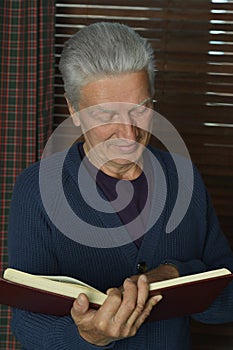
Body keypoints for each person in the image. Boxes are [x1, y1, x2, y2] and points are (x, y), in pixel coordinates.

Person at [8, 22, 233, 349]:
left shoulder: (185, 178)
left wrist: (174, 276)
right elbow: (27, 326)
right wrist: (87, 336)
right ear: (74, 110)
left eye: (140, 109)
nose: (128, 135)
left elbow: (227, 299)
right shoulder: (37, 190)